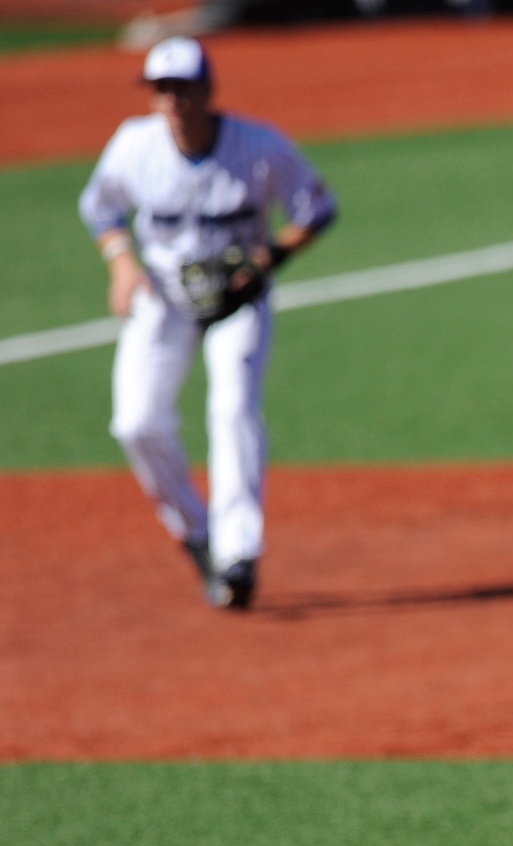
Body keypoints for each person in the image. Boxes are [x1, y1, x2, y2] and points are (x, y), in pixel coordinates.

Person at [78, 36, 337, 610]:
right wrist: (121, 264)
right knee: (137, 423)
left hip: (237, 301)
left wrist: (268, 258)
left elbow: (318, 208)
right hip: (163, 295)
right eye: (160, 90)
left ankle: (239, 552)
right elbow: (99, 206)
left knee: (233, 408)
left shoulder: (260, 146)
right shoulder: (133, 146)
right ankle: (198, 534)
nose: (172, 101)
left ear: (207, 89)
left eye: (182, 88)